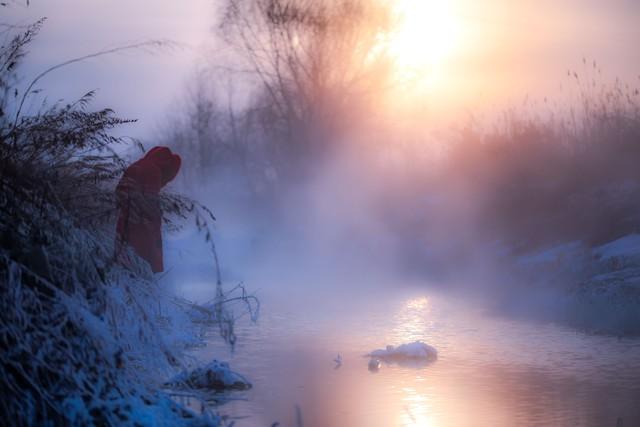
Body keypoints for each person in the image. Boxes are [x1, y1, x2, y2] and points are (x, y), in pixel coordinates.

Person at [115, 146, 181, 273]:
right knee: (143, 265)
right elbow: (150, 206)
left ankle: (131, 289)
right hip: (142, 228)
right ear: (167, 168)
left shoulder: (136, 165)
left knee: (125, 264)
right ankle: (146, 290)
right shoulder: (154, 171)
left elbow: (119, 193)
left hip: (124, 222)